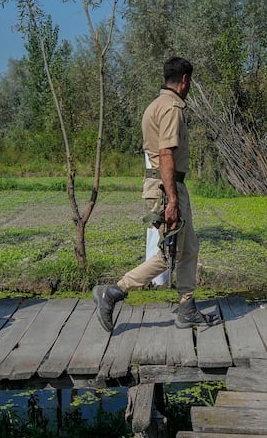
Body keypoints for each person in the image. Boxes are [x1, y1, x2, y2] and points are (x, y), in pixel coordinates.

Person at [94, 57, 219, 332]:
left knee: (189, 248)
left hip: (166, 186)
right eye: (189, 83)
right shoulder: (172, 108)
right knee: (167, 254)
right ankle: (114, 291)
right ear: (185, 80)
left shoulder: (155, 105)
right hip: (167, 188)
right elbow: (165, 154)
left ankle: (186, 308)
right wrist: (172, 200)